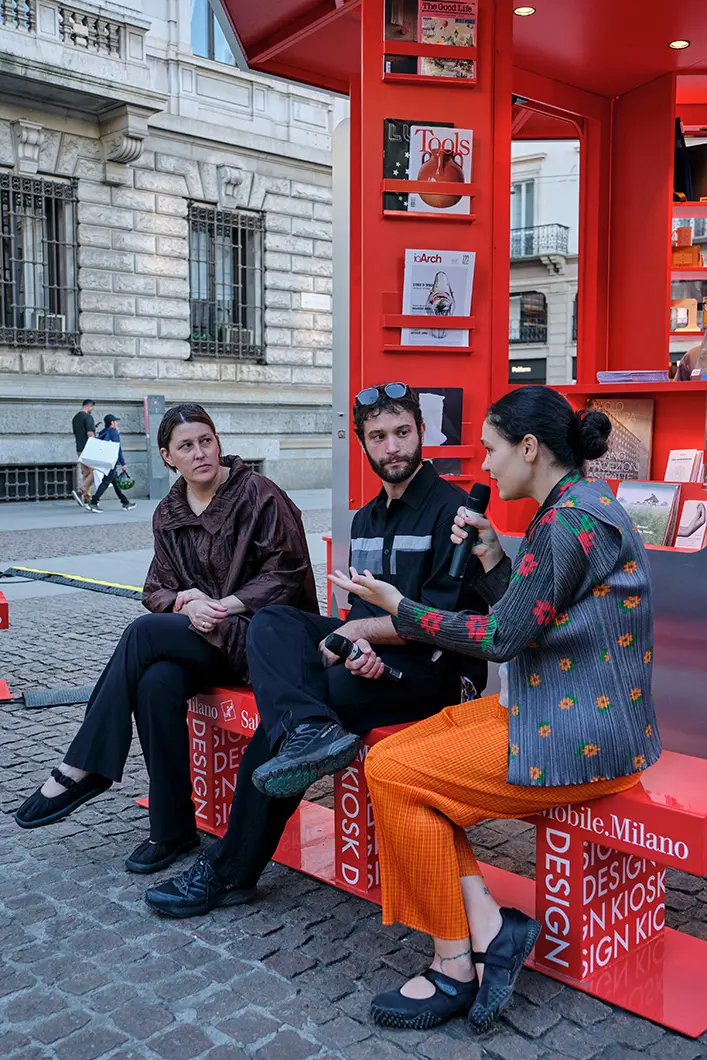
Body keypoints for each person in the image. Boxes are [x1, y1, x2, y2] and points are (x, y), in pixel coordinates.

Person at [329, 385, 662, 1034]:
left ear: (529, 449)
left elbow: (503, 637)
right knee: (390, 757)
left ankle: (455, 960)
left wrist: (399, 609)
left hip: (579, 736)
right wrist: (488, 556)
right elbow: (527, 615)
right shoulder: (574, 508)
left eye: (490, 449)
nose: (483, 465)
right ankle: (487, 926)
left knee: (395, 775)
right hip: (560, 713)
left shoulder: (570, 520)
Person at [145, 382, 490, 917]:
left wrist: (354, 637)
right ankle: (310, 729)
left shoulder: (454, 512)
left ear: (423, 433)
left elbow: (438, 624)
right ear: (363, 443)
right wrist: (346, 643)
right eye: (379, 437)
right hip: (377, 659)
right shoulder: (367, 518)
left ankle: (230, 869)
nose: (392, 447)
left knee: (288, 718)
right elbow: (360, 614)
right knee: (273, 623)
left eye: (402, 432)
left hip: (436, 674)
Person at [15, 403, 319, 875]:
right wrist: (186, 603)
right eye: (186, 446)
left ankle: (84, 765)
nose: (200, 453)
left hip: (263, 641)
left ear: (218, 442)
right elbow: (154, 588)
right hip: (206, 638)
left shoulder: (258, 495)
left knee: (143, 635)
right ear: (166, 456)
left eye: (206, 440)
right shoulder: (169, 512)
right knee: (157, 681)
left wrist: (223, 605)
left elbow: (289, 569)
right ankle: (172, 829)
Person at [84, 414, 136, 513]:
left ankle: (125, 502)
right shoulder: (113, 432)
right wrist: (123, 464)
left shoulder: (104, 432)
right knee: (106, 481)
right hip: (112, 461)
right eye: (115, 422)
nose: (116, 423)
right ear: (112, 423)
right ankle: (94, 502)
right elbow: (118, 449)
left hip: (106, 460)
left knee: (114, 481)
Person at [71, 398, 96, 507]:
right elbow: (90, 434)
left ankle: (87, 498)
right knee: (95, 472)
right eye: (92, 408)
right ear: (89, 406)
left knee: (86, 472)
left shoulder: (75, 418)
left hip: (79, 448)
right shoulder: (88, 417)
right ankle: (81, 491)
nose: (92, 410)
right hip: (88, 448)